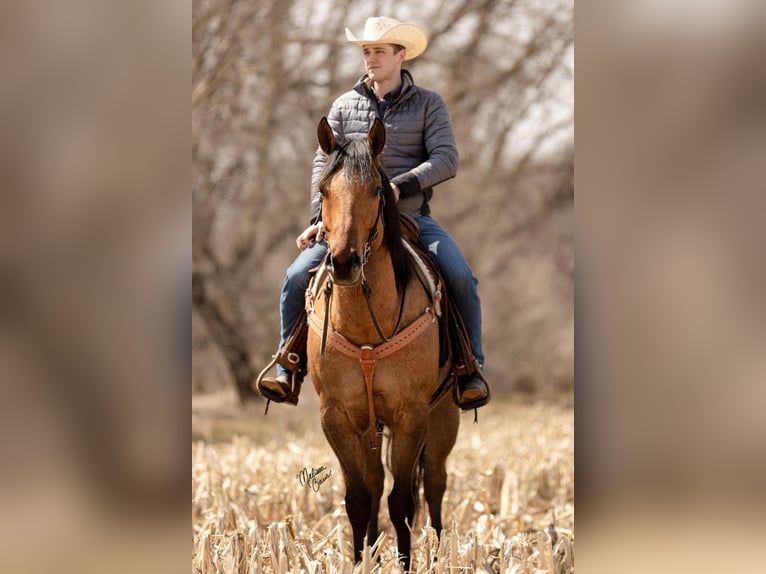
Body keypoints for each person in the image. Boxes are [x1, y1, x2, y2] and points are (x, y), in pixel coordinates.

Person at [257, 16, 489, 410]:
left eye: (379, 51)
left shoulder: (429, 104)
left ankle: (470, 368)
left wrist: (401, 186)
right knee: (297, 275)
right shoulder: (344, 106)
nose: (370, 58)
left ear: (401, 55)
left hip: (411, 218)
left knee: (460, 276)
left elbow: (447, 158)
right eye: (366, 51)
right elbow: (323, 163)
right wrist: (319, 218)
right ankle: (288, 362)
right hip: (349, 221)